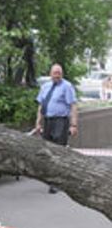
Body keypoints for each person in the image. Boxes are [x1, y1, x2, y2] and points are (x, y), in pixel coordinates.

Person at [34, 63, 78, 193]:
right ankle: (51, 177)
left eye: (59, 72)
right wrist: (38, 123)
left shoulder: (67, 86)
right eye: (55, 73)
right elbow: (41, 106)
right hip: (48, 121)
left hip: (61, 121)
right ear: (50, 74)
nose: (57, 75)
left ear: (62, 74)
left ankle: (57, 182)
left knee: (58, 151)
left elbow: (73, 106)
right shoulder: (45, 86)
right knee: (48, 150)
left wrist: (74, 125)